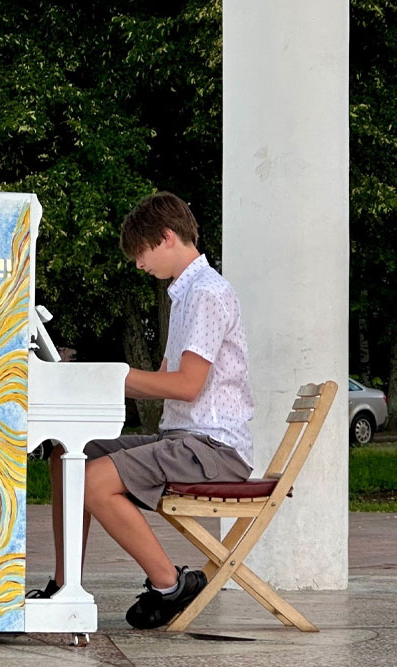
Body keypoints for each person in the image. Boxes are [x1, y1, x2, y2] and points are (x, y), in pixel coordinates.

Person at [29, 190, 257, 629]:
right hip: (186, 440)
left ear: (167, 237)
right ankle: (63, 585)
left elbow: (187, 387)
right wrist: (88, 381)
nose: (138, 264)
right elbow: (163, 381)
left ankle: (170, 585)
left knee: (92, 480)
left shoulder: (208, 293)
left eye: (141, 252)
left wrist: (111, 376)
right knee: (68, 453)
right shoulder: (187, 294)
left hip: (213, 448)